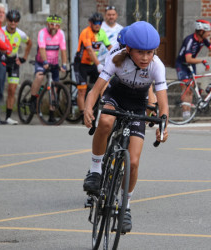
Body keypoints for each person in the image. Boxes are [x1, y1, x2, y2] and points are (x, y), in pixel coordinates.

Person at [83, 21, 169, 233]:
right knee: (105, 121)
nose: (146, 57)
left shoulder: (156, 66)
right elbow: (97, 91)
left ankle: (125, 205)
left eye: (150, 53)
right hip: (117, 96)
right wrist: (88, 107)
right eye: (141, 52)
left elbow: (163, 102)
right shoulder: (116, 58)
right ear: (129, 49)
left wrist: (163, 124)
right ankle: (95, 170)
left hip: (138, 104)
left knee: (134, 161)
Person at [175, 19, 211, 120]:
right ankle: (185, 114)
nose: (209, 34)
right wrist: (202, 61)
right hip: (182, 64)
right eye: (207, 31)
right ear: (201, 31)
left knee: (191, 91)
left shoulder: (203, 40)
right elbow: (188, 58)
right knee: (187, 89)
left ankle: (188, 115)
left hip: (191, 64)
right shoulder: (190, 40)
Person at [30, 14, 67, 120]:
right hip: (42, 62)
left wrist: (64, 64)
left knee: (54, 88)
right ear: (48, 24)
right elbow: (42, 48)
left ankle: (51, 114)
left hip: (54, 63)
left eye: (56, 25)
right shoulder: (42, 33)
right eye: (52, 24)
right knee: (40, 77)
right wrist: (45, 61)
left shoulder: (61, 34)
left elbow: (63, 50)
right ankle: (32, 100)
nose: (54, 26)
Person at [2, 9, 32, 125]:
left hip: (14, 62)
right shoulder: (2, 31)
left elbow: (29, 43)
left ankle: (8, 117)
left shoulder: (20, 33)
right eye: (10, 20)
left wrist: (24, 57)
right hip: (2, 60)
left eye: (15, 21)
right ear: (7, 20)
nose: (13, 23)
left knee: (12, 90)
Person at [73, 14, 103, 117]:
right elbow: (90, 50)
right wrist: (98, 64)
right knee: (82, 90)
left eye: (99, 23)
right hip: (81, 64)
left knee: (98, 86)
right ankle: (82, 114)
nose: (97, 25)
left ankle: (93, 110)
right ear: (90, 23)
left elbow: (110, 47)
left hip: (92, 64)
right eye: (95, 22)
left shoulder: (101, 33)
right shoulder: (86, 32)